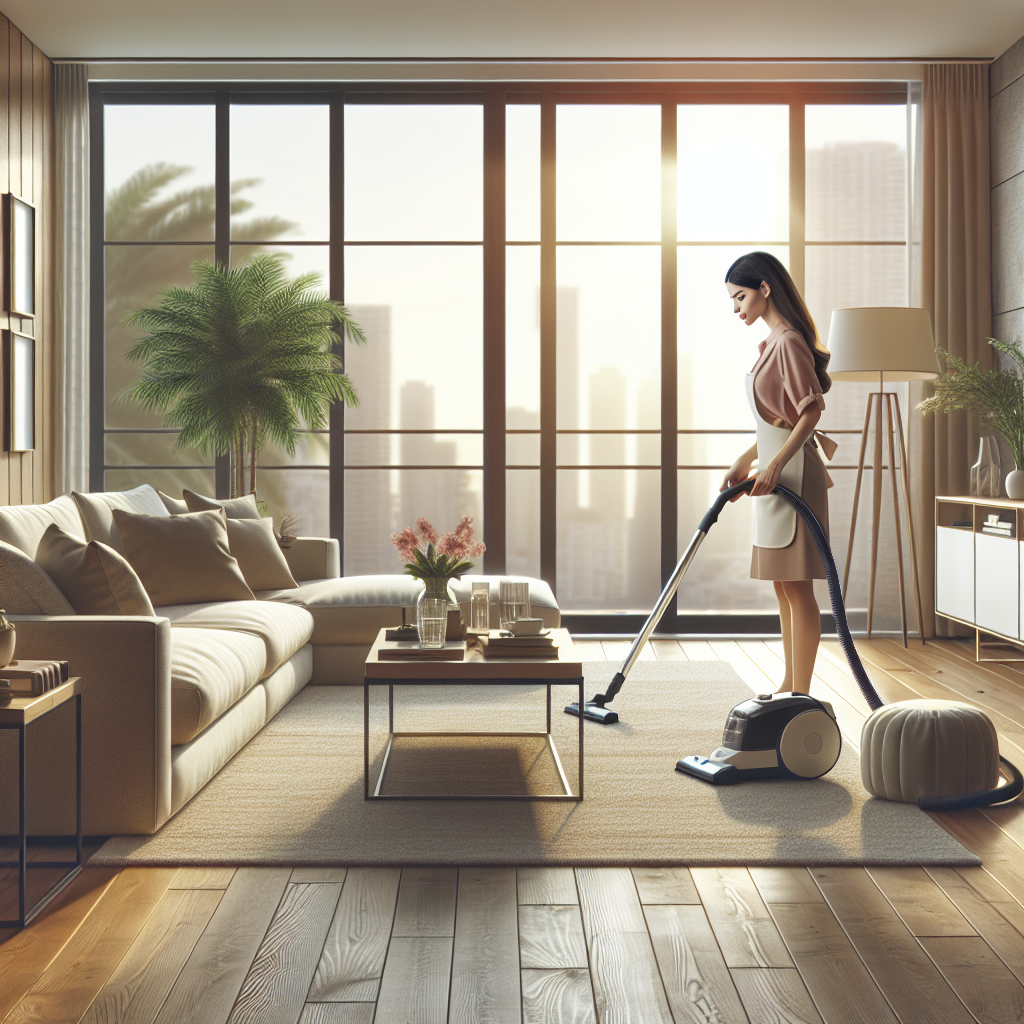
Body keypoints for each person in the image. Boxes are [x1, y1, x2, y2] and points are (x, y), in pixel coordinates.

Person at [720, 252, 836, 694]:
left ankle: (801, 692)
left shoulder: (788, 342)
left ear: (764, 288)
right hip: (774, 474)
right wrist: (745, 460)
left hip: (793, 477)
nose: (737, 308)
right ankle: (789, 682)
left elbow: (809, 414)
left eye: (740, 297)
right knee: (783, 587)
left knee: (798, 587)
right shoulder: (771, 345)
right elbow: (777, 421)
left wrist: (774, 464)